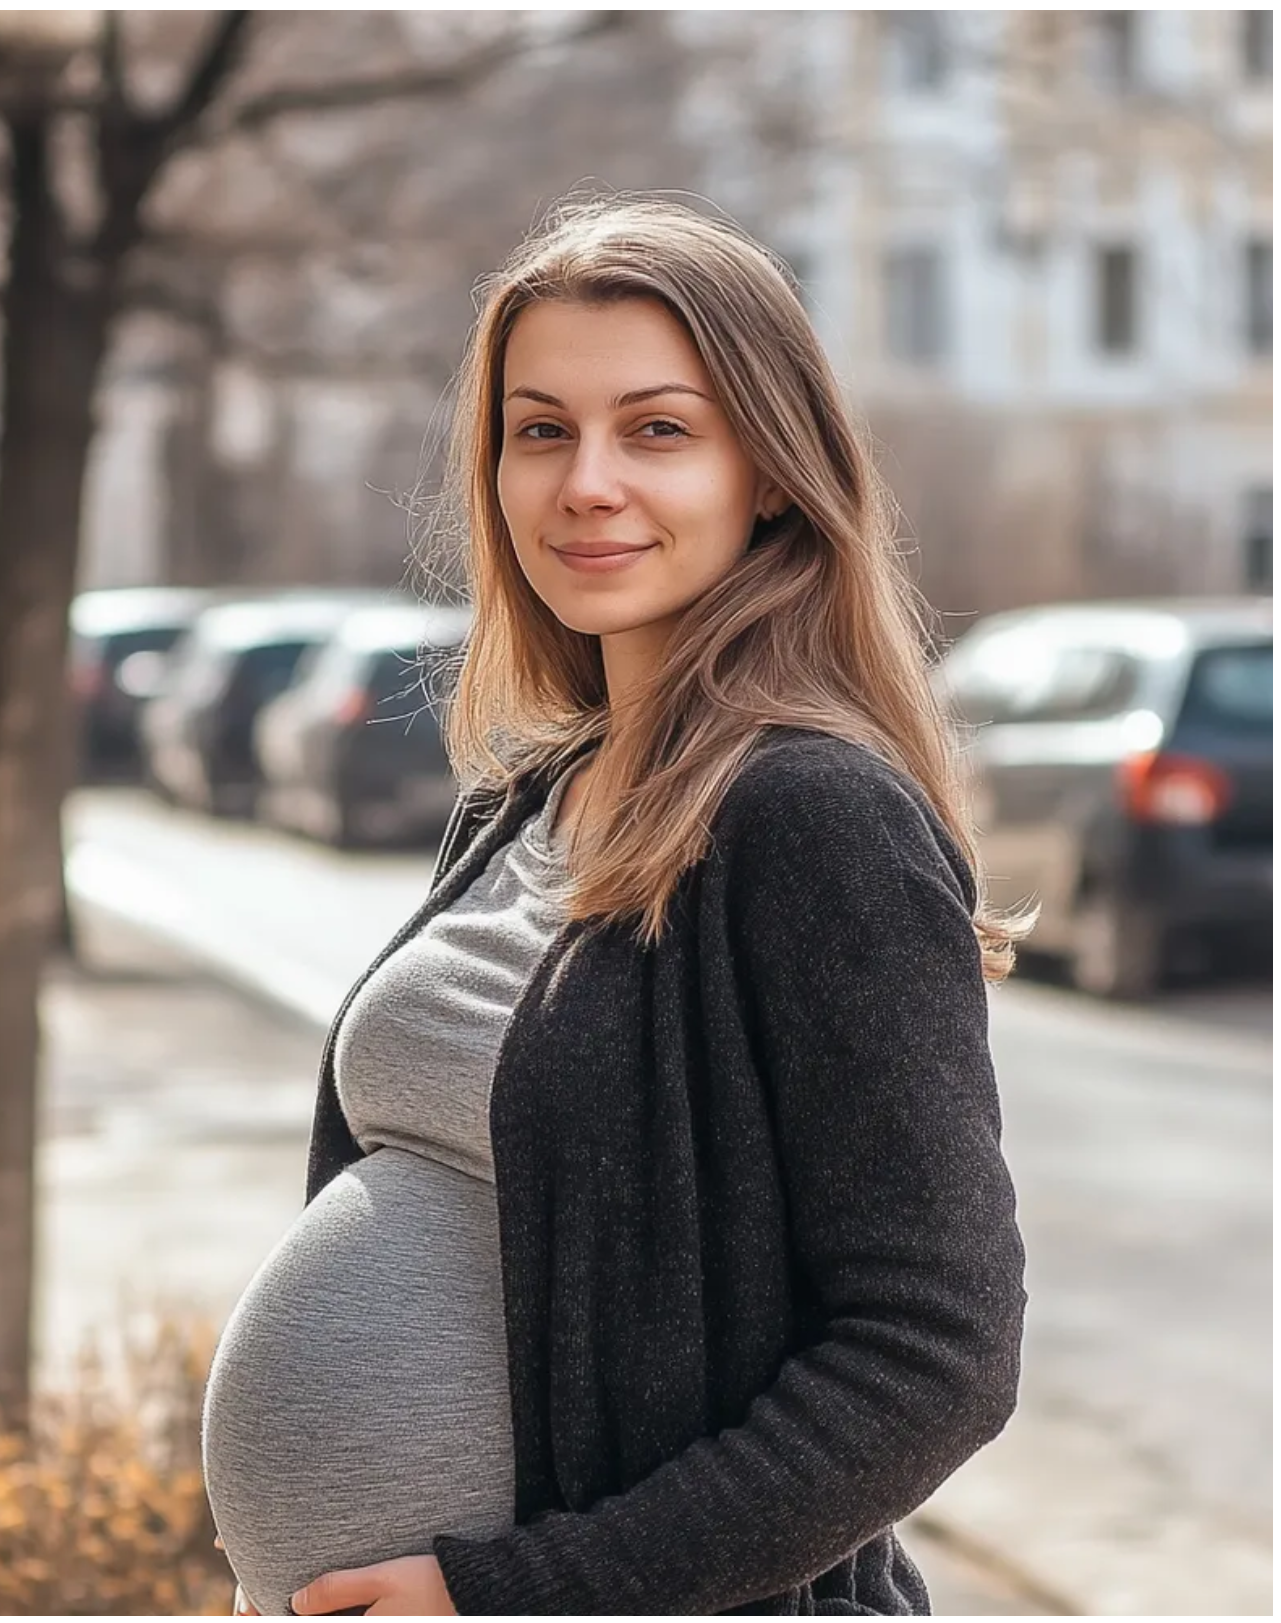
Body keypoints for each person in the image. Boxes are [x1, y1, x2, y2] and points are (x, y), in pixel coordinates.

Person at [201, 194, 1029, 1617]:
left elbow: (934, 1350)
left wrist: (521, 1590)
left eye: (656, 428)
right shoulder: (524, 796)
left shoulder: (808, 818)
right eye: (540, 429)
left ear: (766, 469)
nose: (585, 481)